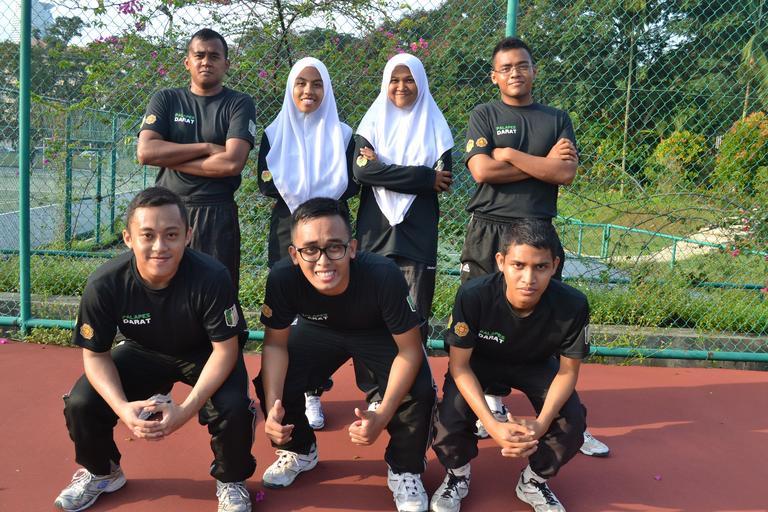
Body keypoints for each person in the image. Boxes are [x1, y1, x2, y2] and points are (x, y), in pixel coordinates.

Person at [53, 187, 255, 512]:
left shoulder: (212, 277)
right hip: (142, 349)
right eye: (147, 235)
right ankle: (102, 472)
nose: (160, 246)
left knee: (233, 406)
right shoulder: (105, 284)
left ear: (188, 236)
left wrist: (185, 411)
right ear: (128, 238)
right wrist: (122, 408)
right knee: (82, 402)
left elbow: (225, 351)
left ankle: (231, 479)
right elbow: (95, 354)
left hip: (203, 353)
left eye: (171, 235)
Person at [460, 36, 608, 457]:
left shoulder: (556, 118)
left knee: (544, 319)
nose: (515, 73)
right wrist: (541, 163)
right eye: (506, 67)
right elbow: (482, 171)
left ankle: (561, 416)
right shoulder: (484, 114)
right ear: (494, 76)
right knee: (480, 313)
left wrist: (509, 153)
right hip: (489, 230)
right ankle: (487, 404)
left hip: (538, 230)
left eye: (522, 65)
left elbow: (565, 174)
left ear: (534, 70)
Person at [253, 197, 436, 512]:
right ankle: (300, 450)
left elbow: (409, 350)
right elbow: (274, 346)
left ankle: (405, 468)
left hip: (378, 332)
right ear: (294, 254)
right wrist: (272, 408)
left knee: (417, 389)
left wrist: (383, 415)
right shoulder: (283, 278)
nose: (323, 261)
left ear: (352, 248)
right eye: (311, 250)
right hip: (319, 328)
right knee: (276, 380)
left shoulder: (383, 275)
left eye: (334, 247)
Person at [431, 219, 588, 512]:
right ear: (501, 262)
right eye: (518, 265)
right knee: (448, 419)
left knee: (571, 421)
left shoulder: (573, 304)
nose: (529, 278)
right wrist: (493, 425)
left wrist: (541, 425)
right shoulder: (473, 295)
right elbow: (459, 367)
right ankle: (457, 474)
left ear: (554, 266)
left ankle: (534, 480)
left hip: (535, 363)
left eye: (540, 267)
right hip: (479, 363)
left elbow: (568, 372)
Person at [257, 57, 358, 431]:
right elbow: (266, 182)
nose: (308, 90)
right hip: (288, 229)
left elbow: (352, 183)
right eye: (300, 83)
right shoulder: (274, 132)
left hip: (332, 229)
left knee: (324, 312)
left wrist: (309, 193)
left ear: (326, 90)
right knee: (289, 312)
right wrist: (311, 191)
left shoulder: (343, 135)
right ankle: (286, 393)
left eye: (317, 84)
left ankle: (313, 390)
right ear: (290, 88)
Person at [137, 28, 256, 291]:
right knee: (164, 287)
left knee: (216, 290)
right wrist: (206, 147)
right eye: (199, 55)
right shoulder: (166, 99)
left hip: (216, 212)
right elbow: (146, 152)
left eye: (214, 56)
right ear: (187, 62)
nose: (206, 62)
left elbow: (231, 163)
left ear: (226, 64)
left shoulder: (239, 103)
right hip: (168, 209)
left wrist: (168, 157)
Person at [354, 52, 454, 345]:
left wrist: (381, 167)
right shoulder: (371, 124)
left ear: (421, 83)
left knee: (414, 318)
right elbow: (362, 172)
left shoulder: (436, 126)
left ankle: (415, 374)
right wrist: (423, 177)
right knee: (369, 314)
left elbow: (442, 180)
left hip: (416, 235)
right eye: (394, 80)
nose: (401, 86)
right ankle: (374, 375)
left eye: (409, 79)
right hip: (375, 233)